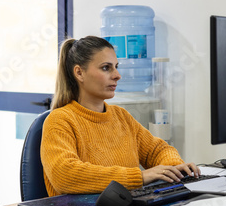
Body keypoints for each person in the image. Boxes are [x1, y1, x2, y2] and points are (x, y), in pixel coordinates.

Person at [40, 36, 200, 197]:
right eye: (106, 68)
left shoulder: (121, 116)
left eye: (116, 67)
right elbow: (65, 175)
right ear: (79, 73)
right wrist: (140, 177)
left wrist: (172, 169)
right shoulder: (59, 120)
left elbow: (158, 150)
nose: (117, 75)